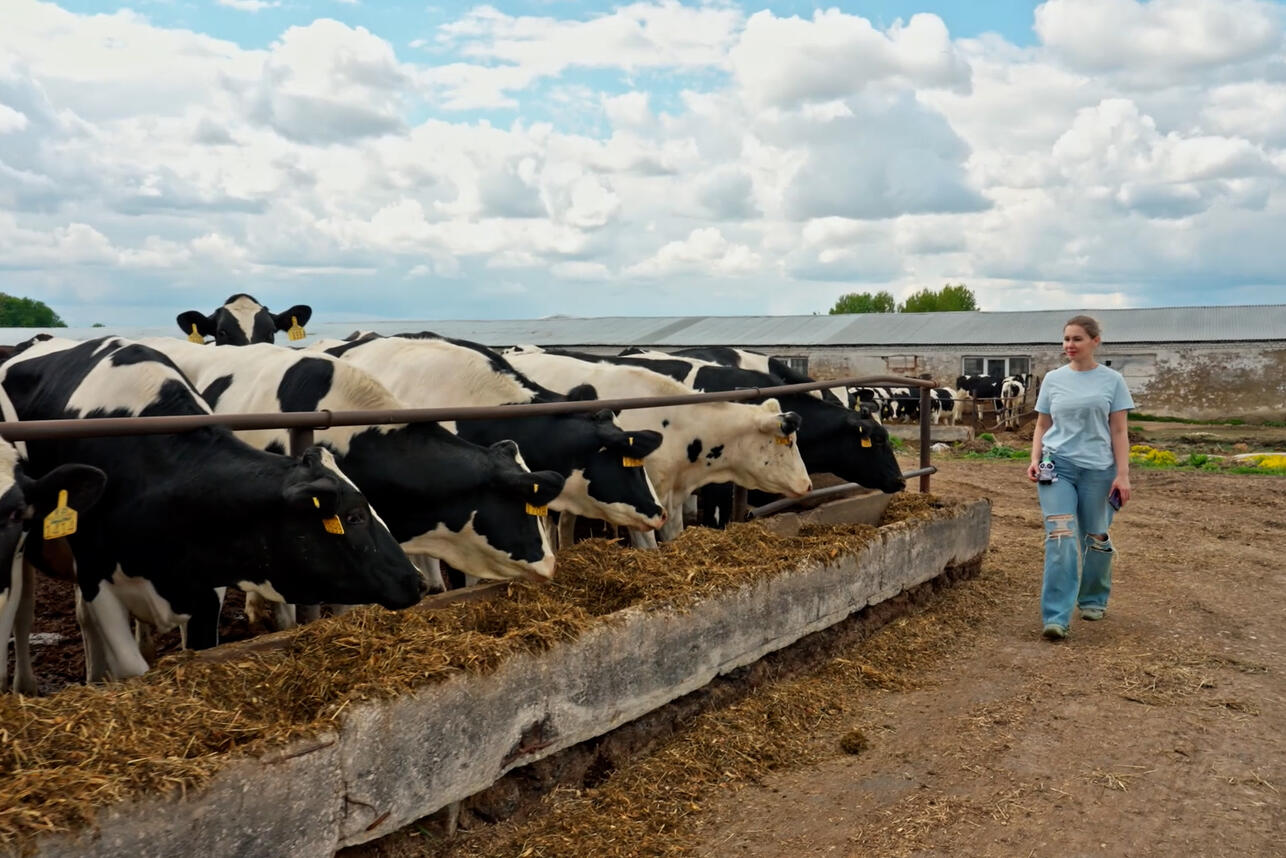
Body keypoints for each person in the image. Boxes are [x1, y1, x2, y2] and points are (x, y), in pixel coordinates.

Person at [1026, 315, 1134, 641]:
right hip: (1056, 466)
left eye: (1077, 339)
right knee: (1060, 537)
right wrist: (1034, 458)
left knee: (1096, 537)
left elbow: (1119, 429)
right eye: (1066, 339)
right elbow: (1043, 425)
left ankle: (1093, 599)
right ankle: (1056, 616)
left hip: (1098, 470)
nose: (1069, 346)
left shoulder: (1112, 381)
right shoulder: (1053, 379)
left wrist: (1123, 475)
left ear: (1095, 341)